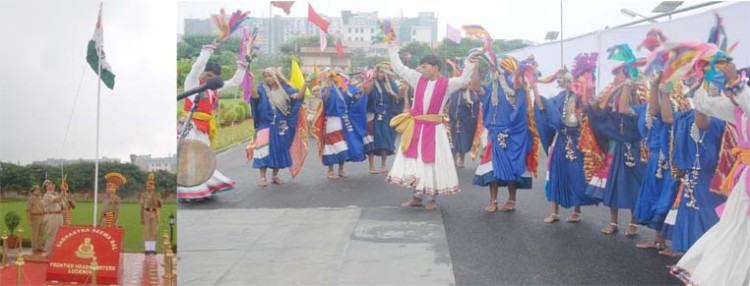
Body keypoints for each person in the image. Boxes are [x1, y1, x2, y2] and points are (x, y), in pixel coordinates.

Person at [670, 59, 750, 285]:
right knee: (735, 230)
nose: (728, 92)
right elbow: (706, 106)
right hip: (745, 178)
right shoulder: (739, 110)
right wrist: (698, 82)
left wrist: (736, 82)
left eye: (731, 87)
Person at [387, 42, 480, 210]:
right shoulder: (417, 79)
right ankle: (416, 196)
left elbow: (465, 79)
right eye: (420, 67)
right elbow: (399, 68)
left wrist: (470, 63)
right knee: (416, 161)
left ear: (435, 68)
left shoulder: (447, 84)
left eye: (424, 66)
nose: (420, 69)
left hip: (434, 130)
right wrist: (393, 48)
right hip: (416, 128)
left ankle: (431, 198)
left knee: (431, 162)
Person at [585, 48, 647, 236]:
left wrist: (629, 87)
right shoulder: (611, 93)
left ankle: (633, 224)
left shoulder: (640, 92)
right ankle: (613, 222)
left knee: (634, 184)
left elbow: (629, 111)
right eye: (616, 74)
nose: (616, 77)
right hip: (616, 144)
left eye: (619, 73)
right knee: (613, 183)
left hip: (634, 146)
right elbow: (595, 107)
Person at [178, 38, 246, 201]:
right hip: (190, 126)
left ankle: (203, 187)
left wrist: (243, 66)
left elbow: (235, 82)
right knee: (191, 157)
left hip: (205, 128)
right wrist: (209, 49)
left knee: (203, 158)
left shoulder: (212, 89)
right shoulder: (192, 83)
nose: (208, 79)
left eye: (212, 77)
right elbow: (197, 67)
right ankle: (191, 193)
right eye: (207, 75)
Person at [472, 56, 539, 213]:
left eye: (501, 68)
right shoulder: (491, 87)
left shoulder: (516, 87)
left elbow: (519, 82)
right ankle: (493, 201)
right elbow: (475, 86)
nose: (495, 71)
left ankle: (511, 199)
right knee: (491, 167)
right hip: (494, 134)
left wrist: (522, 68)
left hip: (513, 134)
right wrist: (474, 65)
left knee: (512, 168)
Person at [534, 69, 598, 223]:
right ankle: (555, 212)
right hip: (561, 140)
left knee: (576, 174)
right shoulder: (560, 96)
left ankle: (577, 210)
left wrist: (587, 87)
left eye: (569, 81)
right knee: (556, 174)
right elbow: (543, 106)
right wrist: (534, 86)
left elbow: (590, 107)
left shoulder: (581, 98)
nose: (566, 83)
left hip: (577, 141)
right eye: (565, 81)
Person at [249, 68, 308, 186]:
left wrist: (306, 83)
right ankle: (262, 178)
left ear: (276, 76)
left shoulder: (285, 89)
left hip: (281, 126)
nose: (267, 79)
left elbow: (298, 97)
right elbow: (254, 96)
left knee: (280, 150)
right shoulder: (262, 89)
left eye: (269, 76)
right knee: (263, 151)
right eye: (265, 76)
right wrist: (251, 80)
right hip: (265, 125)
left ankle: (275, 176)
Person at [313, 68, 368, 179]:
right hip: (331, 120)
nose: (335, 77)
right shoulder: (326, 88)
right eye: (333, 75)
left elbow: (358, 96)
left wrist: (365, 87)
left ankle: (341, 169)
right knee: (331, 145)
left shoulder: (347, 88)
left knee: (343, 145)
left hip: (344, 119)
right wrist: (328, 85)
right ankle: (330, 170)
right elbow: (324, 98)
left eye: (337, 75)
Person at [362, 62, 403, 174]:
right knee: (372, 140)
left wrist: (403, 91)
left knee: (385, 139)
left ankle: (383, 164)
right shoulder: (372, 83)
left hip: (386, 115)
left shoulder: (391, 84)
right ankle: (371, 166)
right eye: (379, 72)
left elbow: (397, 99)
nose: (380, 74)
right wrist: (371, 79)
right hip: (373, 115)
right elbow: (366, 93)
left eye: (383, 72)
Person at [447, 67, 480, 169]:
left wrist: (468, 105)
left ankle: (461, 159)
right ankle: (452, 160)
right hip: (452, 121)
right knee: (452, 142)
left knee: (463, 141)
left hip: (465, 123)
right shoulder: (453, 92)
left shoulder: (472, 94)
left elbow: (475, 108)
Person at [42, 179, 65, 256]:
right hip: (52, 216)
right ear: (46, 187)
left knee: (59, 234)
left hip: (59, 215)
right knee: (51, 235)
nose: (52, 185)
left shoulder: (55, 194)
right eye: (49, 184)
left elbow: (63, 205)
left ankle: (56, 251)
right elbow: (58, 199)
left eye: (51, 183)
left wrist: (64, 193)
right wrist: (63, 191)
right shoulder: (47, 195)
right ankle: (49, 253)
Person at [140, 172, 162, 255]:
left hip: (154, 213)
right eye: (148, 186)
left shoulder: (157, 194)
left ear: (154, 186)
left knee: (154, 231)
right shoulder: (144, 195)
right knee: (147, 230)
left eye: (151, 185)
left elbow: (160, 205)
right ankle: (147, 248)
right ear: (146, 186)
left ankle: (153, 248)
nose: (150, 187)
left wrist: (159, 200)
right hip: (146, 212)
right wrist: (142, 217)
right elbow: (142, 207)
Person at [26, 185, 45, 253]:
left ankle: (40, 246)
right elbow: (28, 210)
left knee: (41, 233)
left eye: (38, 190)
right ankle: (34, 247)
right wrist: (29, 220)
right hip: (35, 217)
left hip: (42, 216)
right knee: (35, 233)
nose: (38, 191)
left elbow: (44, 208)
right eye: (36, 190)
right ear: (33, 191)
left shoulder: (41, 198)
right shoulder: (31, 199)